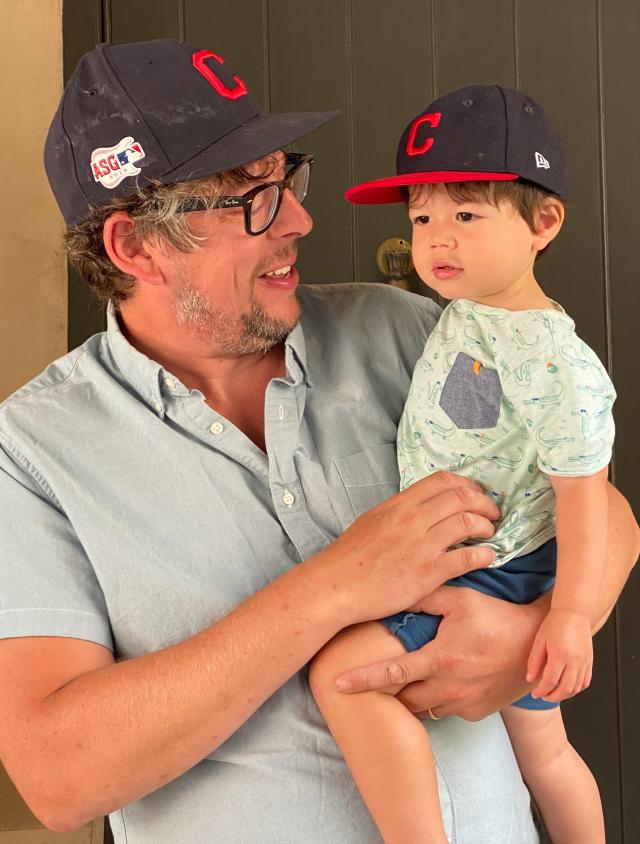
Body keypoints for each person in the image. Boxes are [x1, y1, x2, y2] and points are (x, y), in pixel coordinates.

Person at [0, 40, 636, 844]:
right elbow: (60, 779)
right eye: (252, 200)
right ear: (137, 247)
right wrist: (336, 586)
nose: (300, 218)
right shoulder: (29, 452)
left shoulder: (416, 335)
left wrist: (536, 628)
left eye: (285, 180)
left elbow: (599, 507)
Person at [309, 85, 615, 844]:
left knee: (342, 677)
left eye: (467, 215)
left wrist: (570, 617)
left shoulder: (553, 358)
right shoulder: (466, 316)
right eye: (422, 218)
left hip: (498, 566)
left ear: (544, 223)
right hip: (478, 554)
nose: (437, 240)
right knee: (546, 752)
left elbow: (586, 496)